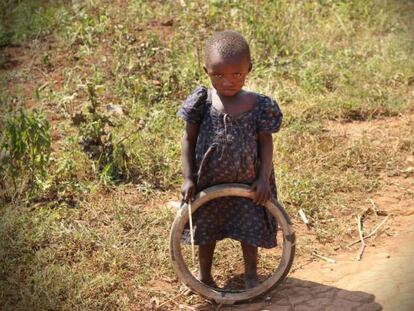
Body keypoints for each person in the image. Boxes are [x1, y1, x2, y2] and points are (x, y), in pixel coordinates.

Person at [178, 30, 283, 289]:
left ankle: (250, 276)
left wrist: (263, 179)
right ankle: (204, 276)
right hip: (208, 183)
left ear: (249, 68)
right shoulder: (203, 102)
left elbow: (266, 142)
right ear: (206, 71)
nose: (228, 81)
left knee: (249, 229)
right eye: (219, 75)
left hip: (249, 184)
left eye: (237, 74)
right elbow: (188, 140)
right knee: (206, 231)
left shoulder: (259, 105)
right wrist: (189, 178)